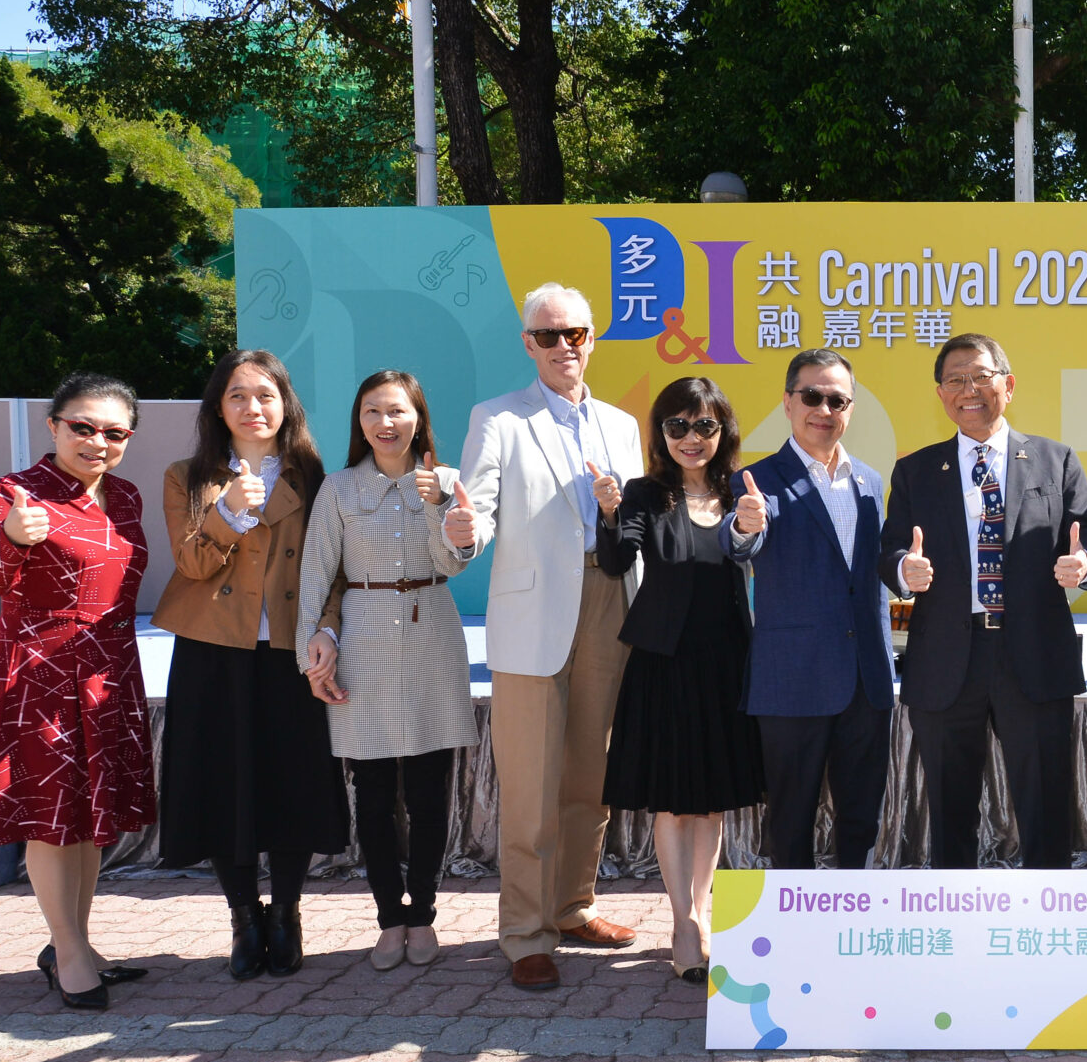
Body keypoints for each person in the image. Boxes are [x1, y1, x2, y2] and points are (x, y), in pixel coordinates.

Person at [449, 283, 643, 990]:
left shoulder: (622, 425)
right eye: (549, 335)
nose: (566, 346)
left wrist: (622, 518)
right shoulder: (497, 418)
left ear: (593, 339)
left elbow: (638, 523)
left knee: (591, 775)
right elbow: (479, 508)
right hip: (532, 615)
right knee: (531, 785)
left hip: (612, 603)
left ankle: (572, 906)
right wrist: (463, 534)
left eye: (577, 333)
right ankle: (526, 933)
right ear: (528, 344)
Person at [154, 349, 350, 980]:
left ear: (285, 403)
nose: (252, 407)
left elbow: (338, 572)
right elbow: (192, 565)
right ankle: (243, 914)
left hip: (291, 653)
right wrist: (232, 508)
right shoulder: (188, 476)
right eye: (237, 395)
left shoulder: (316, 476)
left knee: (292, 783)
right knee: (219, 785)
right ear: (218, 406)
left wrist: (327, 629)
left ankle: (287, 912)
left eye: (265, 394)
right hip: (213, 652)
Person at [882, 332, 1087, 869]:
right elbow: (890, 546)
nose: (969, 389)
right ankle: (955, 923)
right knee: (949, 807)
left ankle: (1048, 921)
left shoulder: (1055, 460)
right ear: (940, 394)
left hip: (1031, 654)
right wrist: (902, 568)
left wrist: (1085, 565)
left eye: (981, 376)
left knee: (1045, 805)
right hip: (945, 658)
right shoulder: (916, 470)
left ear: (1007, 385)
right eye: (955, 380)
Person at [0, 374, 157, 1011]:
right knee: (52, 819)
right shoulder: (15, 492)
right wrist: (15, 537)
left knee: (89, 818)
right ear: (53, 427)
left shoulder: (126, 496)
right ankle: (68, 952)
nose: (96, 441)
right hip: (38, 674)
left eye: (113, 432)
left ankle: (76, 940)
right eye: (82, 427)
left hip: (108, 671)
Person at [298, 370, 477, 971]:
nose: (385, 423)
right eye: (372, 412)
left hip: (433, 638)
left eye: (397, 411)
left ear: (418, 419)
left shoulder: (448, 483)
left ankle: (422, 913)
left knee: (430, 795)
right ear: (360, 423)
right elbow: (316, 577)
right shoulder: (340, 488)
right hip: (364, 641)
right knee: (372, 798)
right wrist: (311, 651)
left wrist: (438, 507)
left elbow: (453, 562)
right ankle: (388, 918)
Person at [597, 377, 768, 976]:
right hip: (663, 661)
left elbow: (759, 553)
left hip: (726, 660)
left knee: (712, 802)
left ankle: (702, 908)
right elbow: (619, 559)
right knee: (672, 803)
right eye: (677, 426)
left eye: (704, 426)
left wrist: (752, 522)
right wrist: (611, 513)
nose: (691, 439)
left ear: (723, 432)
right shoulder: (645, 493)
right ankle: (681, 922)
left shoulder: (741, 491)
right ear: (661, 434)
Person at [743, 349, 895, 871]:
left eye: (837, 399)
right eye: (812, 396)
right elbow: (736, 541)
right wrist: (744, 525)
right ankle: (790, 939)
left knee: (862, 819)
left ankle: (853, 930)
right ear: (788, 403)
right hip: (793, 680)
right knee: (791, 823)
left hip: (867, 680)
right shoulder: (756, 482)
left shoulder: (871, 481)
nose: (824, 409)